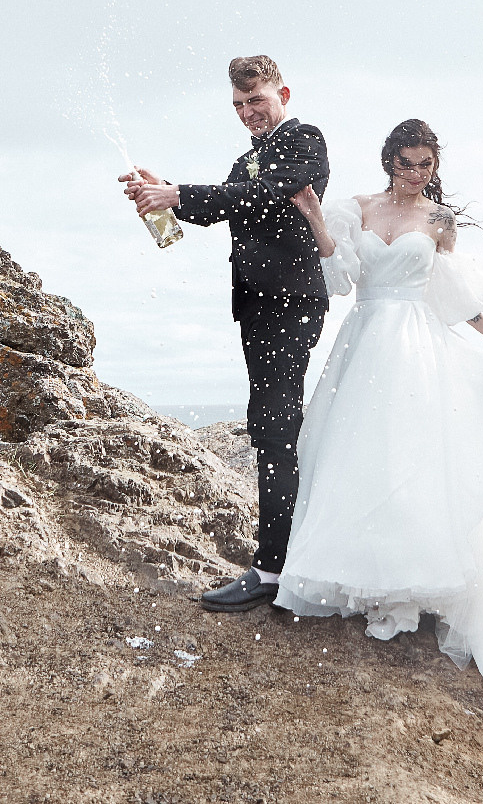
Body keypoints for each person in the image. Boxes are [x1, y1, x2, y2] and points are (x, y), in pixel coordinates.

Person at [278, 119, 483, 719]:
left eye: (425, 164)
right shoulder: (359, 208)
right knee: (357, 456)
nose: (416, 174)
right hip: (364, 339)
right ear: (389, 160)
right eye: (406, 162)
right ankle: (359, 577)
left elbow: (447, 294)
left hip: (416, 347)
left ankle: (412, 581)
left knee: (412, 458)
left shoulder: (440, 221)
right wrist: (316, 215)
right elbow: (339, 275)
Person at [120, 55, 330, 613]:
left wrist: (180, 193)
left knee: (278, 426)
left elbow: (269, 195)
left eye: (255, 100)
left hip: (292, 302)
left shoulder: (305, 140)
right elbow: (219, 209)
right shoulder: (246, 159)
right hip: (259, 307)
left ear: (283, 91)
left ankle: (273, 570)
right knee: (269, 426)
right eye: (237, 105)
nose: (246, 113)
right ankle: (286, 559)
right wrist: (160, 194)